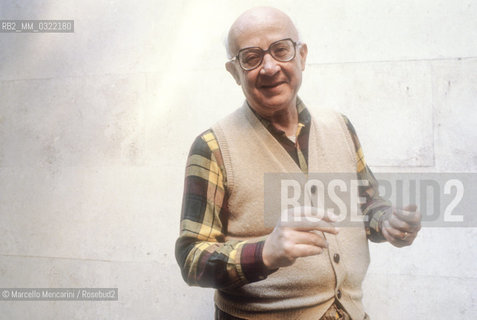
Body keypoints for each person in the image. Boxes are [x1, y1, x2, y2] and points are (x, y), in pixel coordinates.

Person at [175, 7, 422, 320]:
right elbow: (191, 259)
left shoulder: (340, 127)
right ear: (234, 72)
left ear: (301, 56)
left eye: (281, 50)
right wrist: (265, 253)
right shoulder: (212, 147)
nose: (269, 67)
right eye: (251, 57)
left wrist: (387, 222)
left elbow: (367, 205)